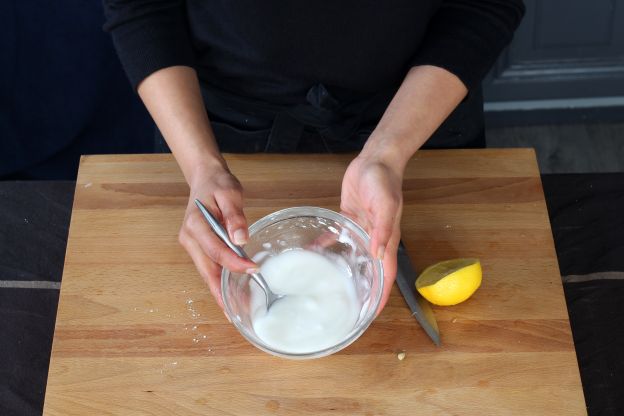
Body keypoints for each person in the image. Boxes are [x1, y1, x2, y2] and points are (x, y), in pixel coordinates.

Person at [103, 0, 525, 312]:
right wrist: (201, 167)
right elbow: (143, 8)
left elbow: (485, 5)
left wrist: (386, 153)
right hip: (215, 124)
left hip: (418, 109)